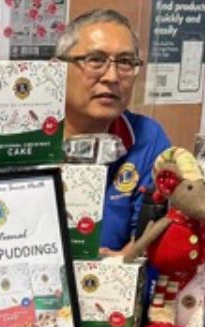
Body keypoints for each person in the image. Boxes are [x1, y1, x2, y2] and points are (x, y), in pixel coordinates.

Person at [55, 9, 171, 258]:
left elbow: (148, 236)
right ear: (59, 69)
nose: (112, 77)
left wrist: (127, 260)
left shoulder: (147, 137)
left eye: (126, 62)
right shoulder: (26, 136)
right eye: (95, 60)